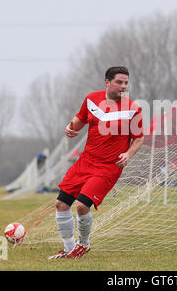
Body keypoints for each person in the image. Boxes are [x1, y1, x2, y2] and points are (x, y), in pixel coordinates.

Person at [48, 66, 144, 259]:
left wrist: (128, 154)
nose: (123, 86)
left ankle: (83, 245)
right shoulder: (92, 99)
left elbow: (139, 138)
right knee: (60, 204)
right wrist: (70, 127)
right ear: (107, 82)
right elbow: (81, 118)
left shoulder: (132, 109)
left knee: (82, 206)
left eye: (126, 83)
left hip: (109, 166)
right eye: (119, 82)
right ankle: (68, 248)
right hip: (85, 161)